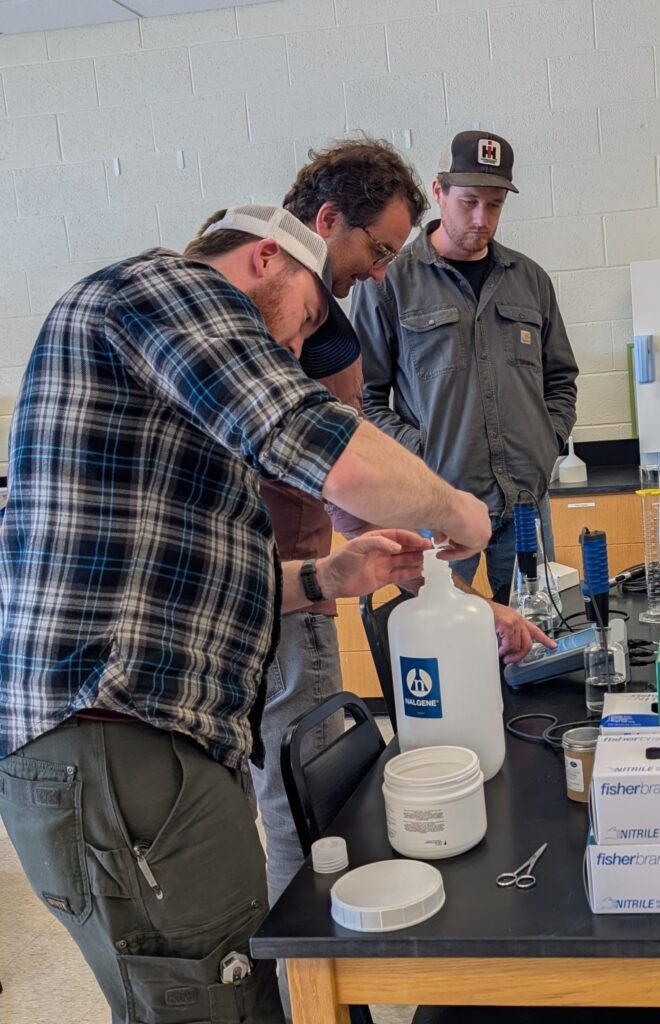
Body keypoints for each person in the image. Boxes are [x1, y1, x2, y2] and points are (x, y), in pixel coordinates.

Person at [0, 204, 490, 1024]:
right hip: (117, 734)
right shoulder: (166, 287)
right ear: (267, 258)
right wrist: (454, 510)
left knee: (234, 990)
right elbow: (312, 434)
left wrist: (328, 576)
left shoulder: (165, 377)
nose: (293, 354)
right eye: (303, 324)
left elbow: (192, 576)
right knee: (215, 1005)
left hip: (138, 739)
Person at [253, 141, 553, 943]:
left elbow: (329, 483)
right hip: (269, 590)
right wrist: (445, 502)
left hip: (309, 573)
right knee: (296, 792)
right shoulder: (266, 315)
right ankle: (311, 961)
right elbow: (339, 448)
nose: (382, 272)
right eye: (376, 251)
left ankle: (326, 951)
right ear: (323, 223)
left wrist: (452, 590)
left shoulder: (322, 316)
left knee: (308, 776)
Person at [351, 129, 579, 605]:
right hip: (437, 506)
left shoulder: (530, 280)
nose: (482, 218)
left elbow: (560, 378)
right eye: (469, 201)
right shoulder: (388, 281)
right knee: (444, 644)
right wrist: (422, 454)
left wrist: (547, 440)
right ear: (439, 193)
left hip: (523, 504)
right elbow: (364, 399)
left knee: (531, 646)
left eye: (494, 205)